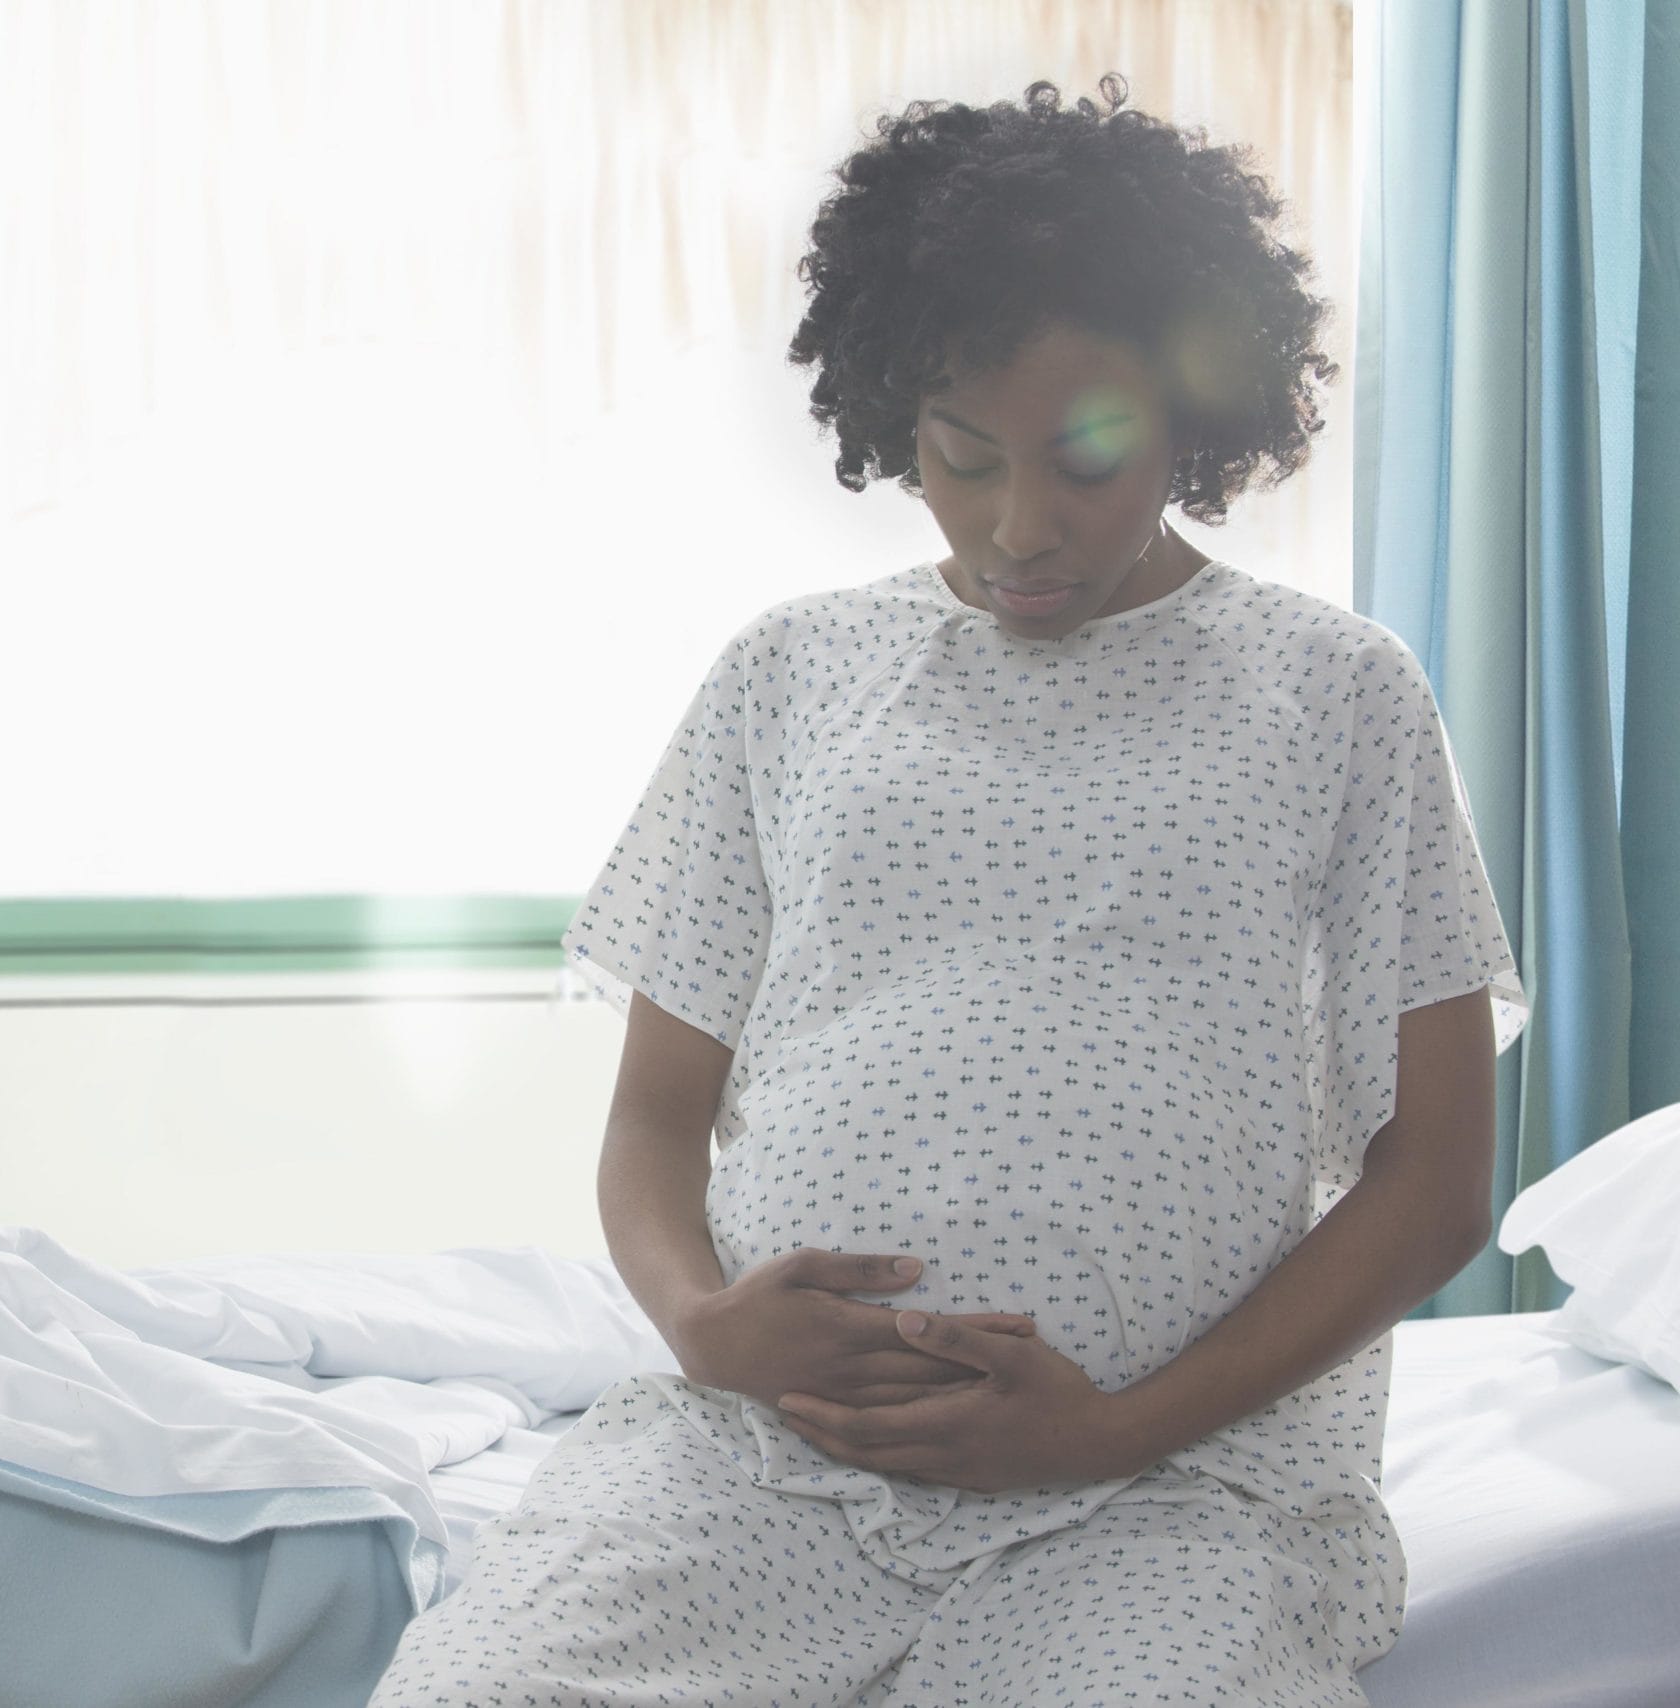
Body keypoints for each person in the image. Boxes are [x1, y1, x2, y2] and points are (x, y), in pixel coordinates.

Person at [367, 74, 1530, 1707]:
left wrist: (1115, 1426)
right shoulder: (791, 677)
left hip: (1166, 1495)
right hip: (756, 1473)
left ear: (1194, 417)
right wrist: (702, 1325)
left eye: (1085, 461)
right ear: (890, 419)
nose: (1018, 529)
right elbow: (653, 1123)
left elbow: (1435, 1190)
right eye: (962, 459)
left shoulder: (1337, 695)